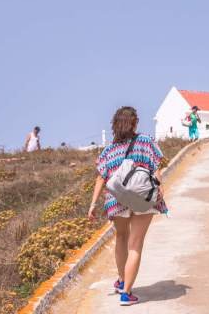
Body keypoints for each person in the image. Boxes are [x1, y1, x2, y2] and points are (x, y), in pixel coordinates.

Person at [88, 106, 167, 306]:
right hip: (143, 197)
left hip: (117, 200)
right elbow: (156, 167)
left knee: (121, 238)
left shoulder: (109, 150)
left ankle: (122, 280)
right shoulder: (146, 141)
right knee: (135, 244)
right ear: (134, 123)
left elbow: (101, 177)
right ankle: (126, 293)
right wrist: (160, 189)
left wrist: (93, 204)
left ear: (115, 124)